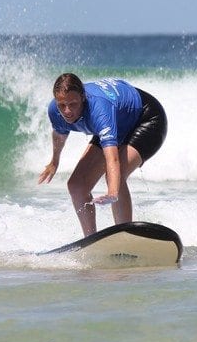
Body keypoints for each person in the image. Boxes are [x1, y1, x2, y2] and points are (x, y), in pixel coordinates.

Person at [38, 73, 167, 235]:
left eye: (73, 104)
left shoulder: (99, 110)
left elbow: (112, 159)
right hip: (118, 121)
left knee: (115, 177)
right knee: (77, 185)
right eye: (62, 105)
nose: (67, 111)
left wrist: (113, 192)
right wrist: (54, 161)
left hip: (146, 118)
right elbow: (60, 134)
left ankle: (127, 237)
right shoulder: (55, 110)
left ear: (83, 98)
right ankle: (90, 240)